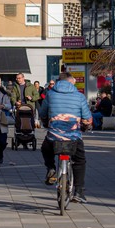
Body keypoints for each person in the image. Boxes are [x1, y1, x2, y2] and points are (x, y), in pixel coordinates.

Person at [39, 72, 93, 203]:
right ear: (71, 82)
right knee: (80, 160)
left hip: (54, 135)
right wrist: (86, 125)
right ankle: (79, 192)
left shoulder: (50, 94)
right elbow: (87, 118)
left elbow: (42, 113)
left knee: (45, 148)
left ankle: (51, 168)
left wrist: (46, 122)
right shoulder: (79, 96)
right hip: (73, 136)